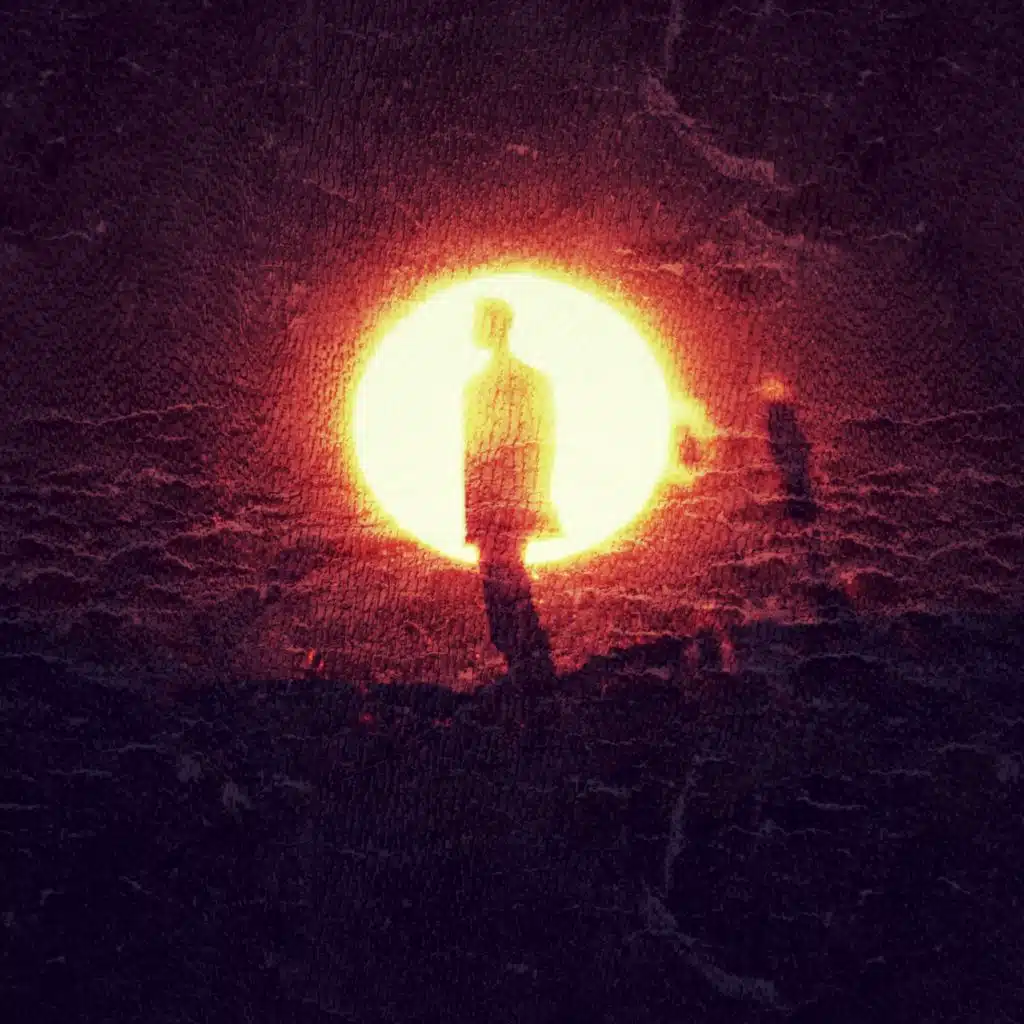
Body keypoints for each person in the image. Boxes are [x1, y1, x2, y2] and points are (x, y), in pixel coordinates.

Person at [463, 298, 559, 690]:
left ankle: (531, 673)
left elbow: (540, 443)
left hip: (505, 501)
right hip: (501, 502)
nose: (473, 330)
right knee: (504, 583)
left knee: (504, 585)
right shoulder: (504, 384)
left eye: (478, 321)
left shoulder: (501, 385)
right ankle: (528, 671)